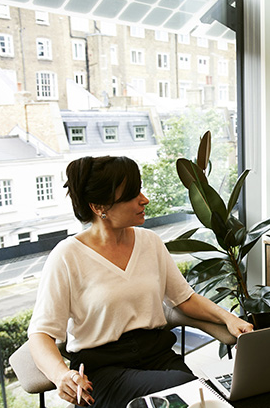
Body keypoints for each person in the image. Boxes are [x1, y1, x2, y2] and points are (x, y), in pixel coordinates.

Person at [27, 156, 252, 407]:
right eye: (133, 195)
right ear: (99, 206)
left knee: (203, 398)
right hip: (105, 372)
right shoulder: (67, 256)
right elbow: (40, 334)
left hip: (159, 357)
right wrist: (61, 375)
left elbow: (184, 299)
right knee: (187, 390)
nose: (144, 199)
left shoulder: (150, 242)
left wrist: (229, 318)